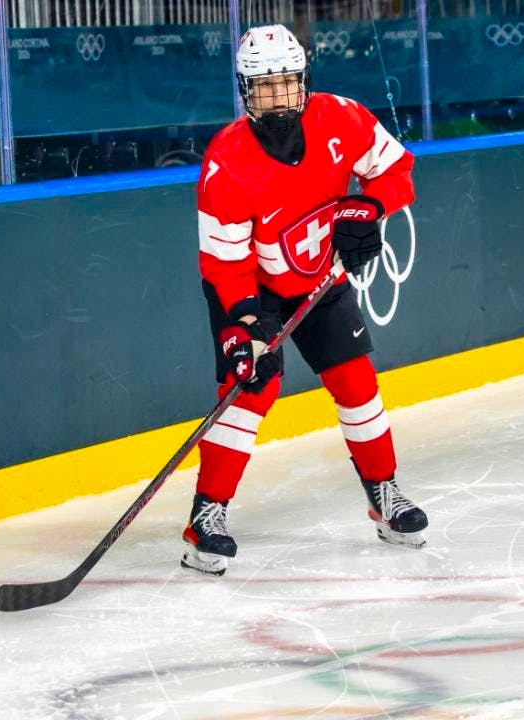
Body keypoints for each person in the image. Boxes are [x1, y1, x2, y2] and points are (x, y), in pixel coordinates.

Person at [182, 24, 428, 576]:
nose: (278, 95)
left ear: (304, 80)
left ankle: (384, 495)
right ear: (245, 91)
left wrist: (371, 207)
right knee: (250, 391)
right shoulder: (226, 162)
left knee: (356, 381)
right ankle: (206, 517)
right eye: (264, 86)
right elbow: (223, 264)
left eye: (287, 82)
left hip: (321, 277)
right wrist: (246, 326)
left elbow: (397, 171)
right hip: (252, 289)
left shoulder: (342, 117)